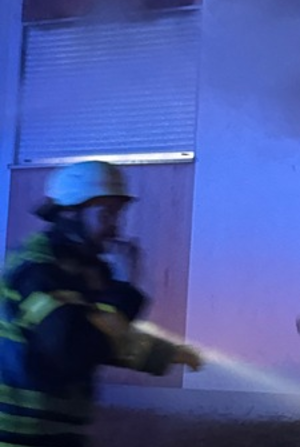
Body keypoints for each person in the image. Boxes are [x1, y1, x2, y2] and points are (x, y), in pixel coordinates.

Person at [0, 160, 204, 446]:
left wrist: (165, 353)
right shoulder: (36, 269)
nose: (115, 227)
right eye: (106, 214)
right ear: (71, 213)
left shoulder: (84, 268)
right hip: (16, 433)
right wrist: (122, 290)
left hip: (58, 432)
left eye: (118, 214)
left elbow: (103, 337)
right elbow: (73, 346)